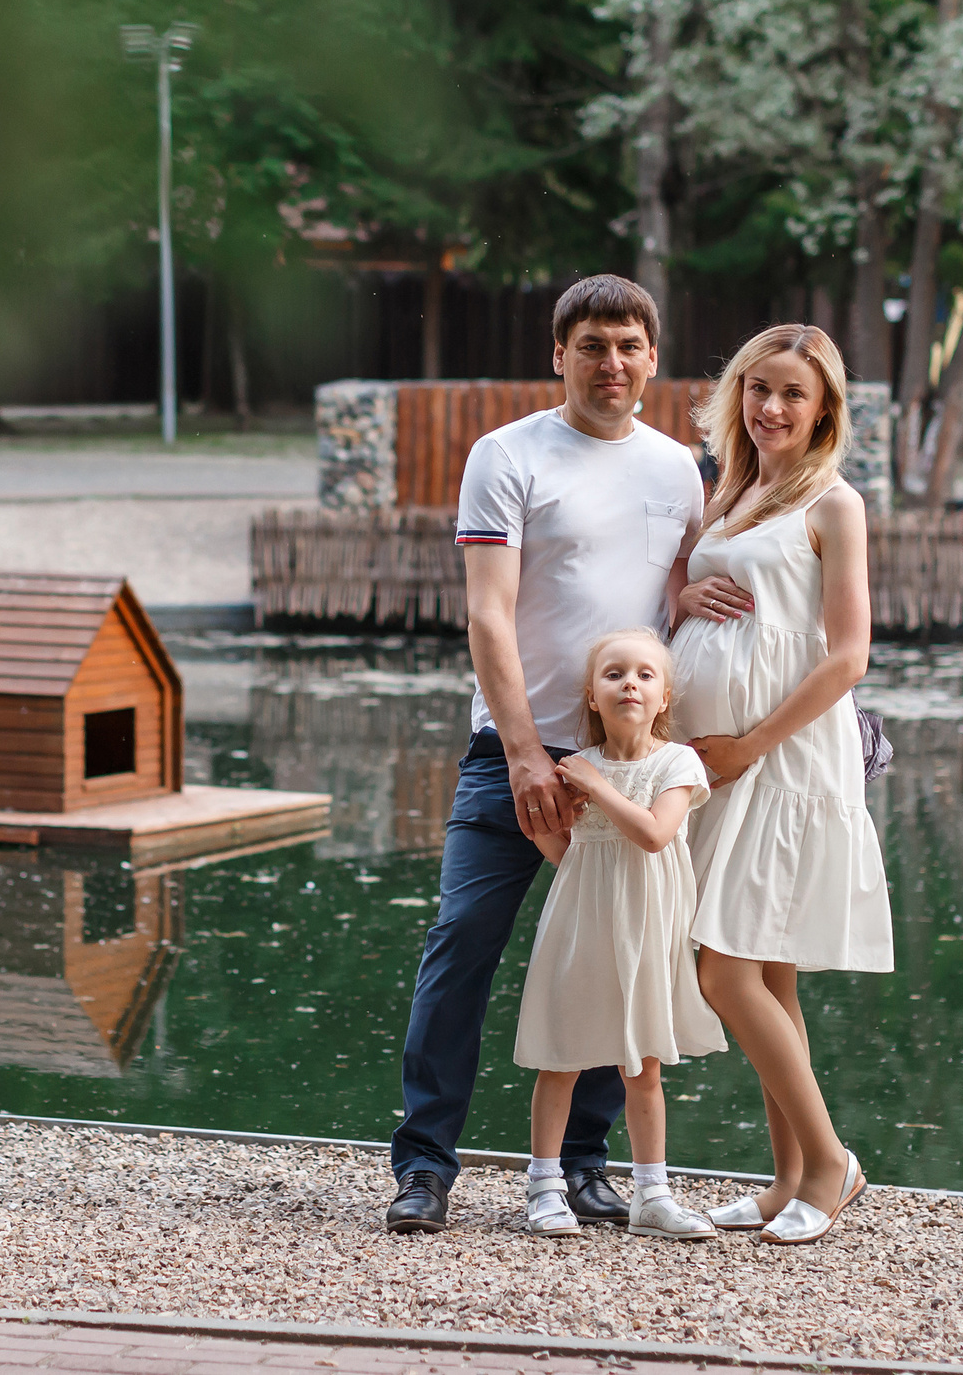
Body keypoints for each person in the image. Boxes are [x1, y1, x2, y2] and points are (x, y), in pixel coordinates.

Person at [385, 275, 705, 1235]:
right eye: (593, 345)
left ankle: (587, 1167)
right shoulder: (507, 454)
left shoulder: (676, 468)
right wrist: (527, 752)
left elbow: (671, 603)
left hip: (631, 762)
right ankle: (426, 1167)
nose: (613, 364)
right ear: (557, 353)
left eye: (629, 346)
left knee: (623, 951)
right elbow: (487, 611)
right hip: (514, 753)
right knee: (462, 949)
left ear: (653, 358)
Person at [668, 323, 888, 1246]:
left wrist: (748, 744)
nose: (771, 407)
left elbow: (847, 657)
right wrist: (684, 597)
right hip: (721, 758)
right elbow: (705, 593)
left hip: (782, 759)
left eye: (793, 393)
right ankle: (786, 1179)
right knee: (768, 971)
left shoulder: (834, 504)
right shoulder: (734, 487)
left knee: (722, 968)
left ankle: (831, 1161)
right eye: (758, 388)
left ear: (825, 406)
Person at [512, 628, 723, 1241]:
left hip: (649, 926)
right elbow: (566, 852)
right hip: (582, 919)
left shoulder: (676, 762)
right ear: (593, 695)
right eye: (614, 674)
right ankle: (545, 1186)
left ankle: (652, 1193)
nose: (630, 682)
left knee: (644, 1065)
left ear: (662, 698)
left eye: (645, 675)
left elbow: (657, 835)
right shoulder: (576, 769)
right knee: (563, 1056)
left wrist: (598, 789)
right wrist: (544, 822)